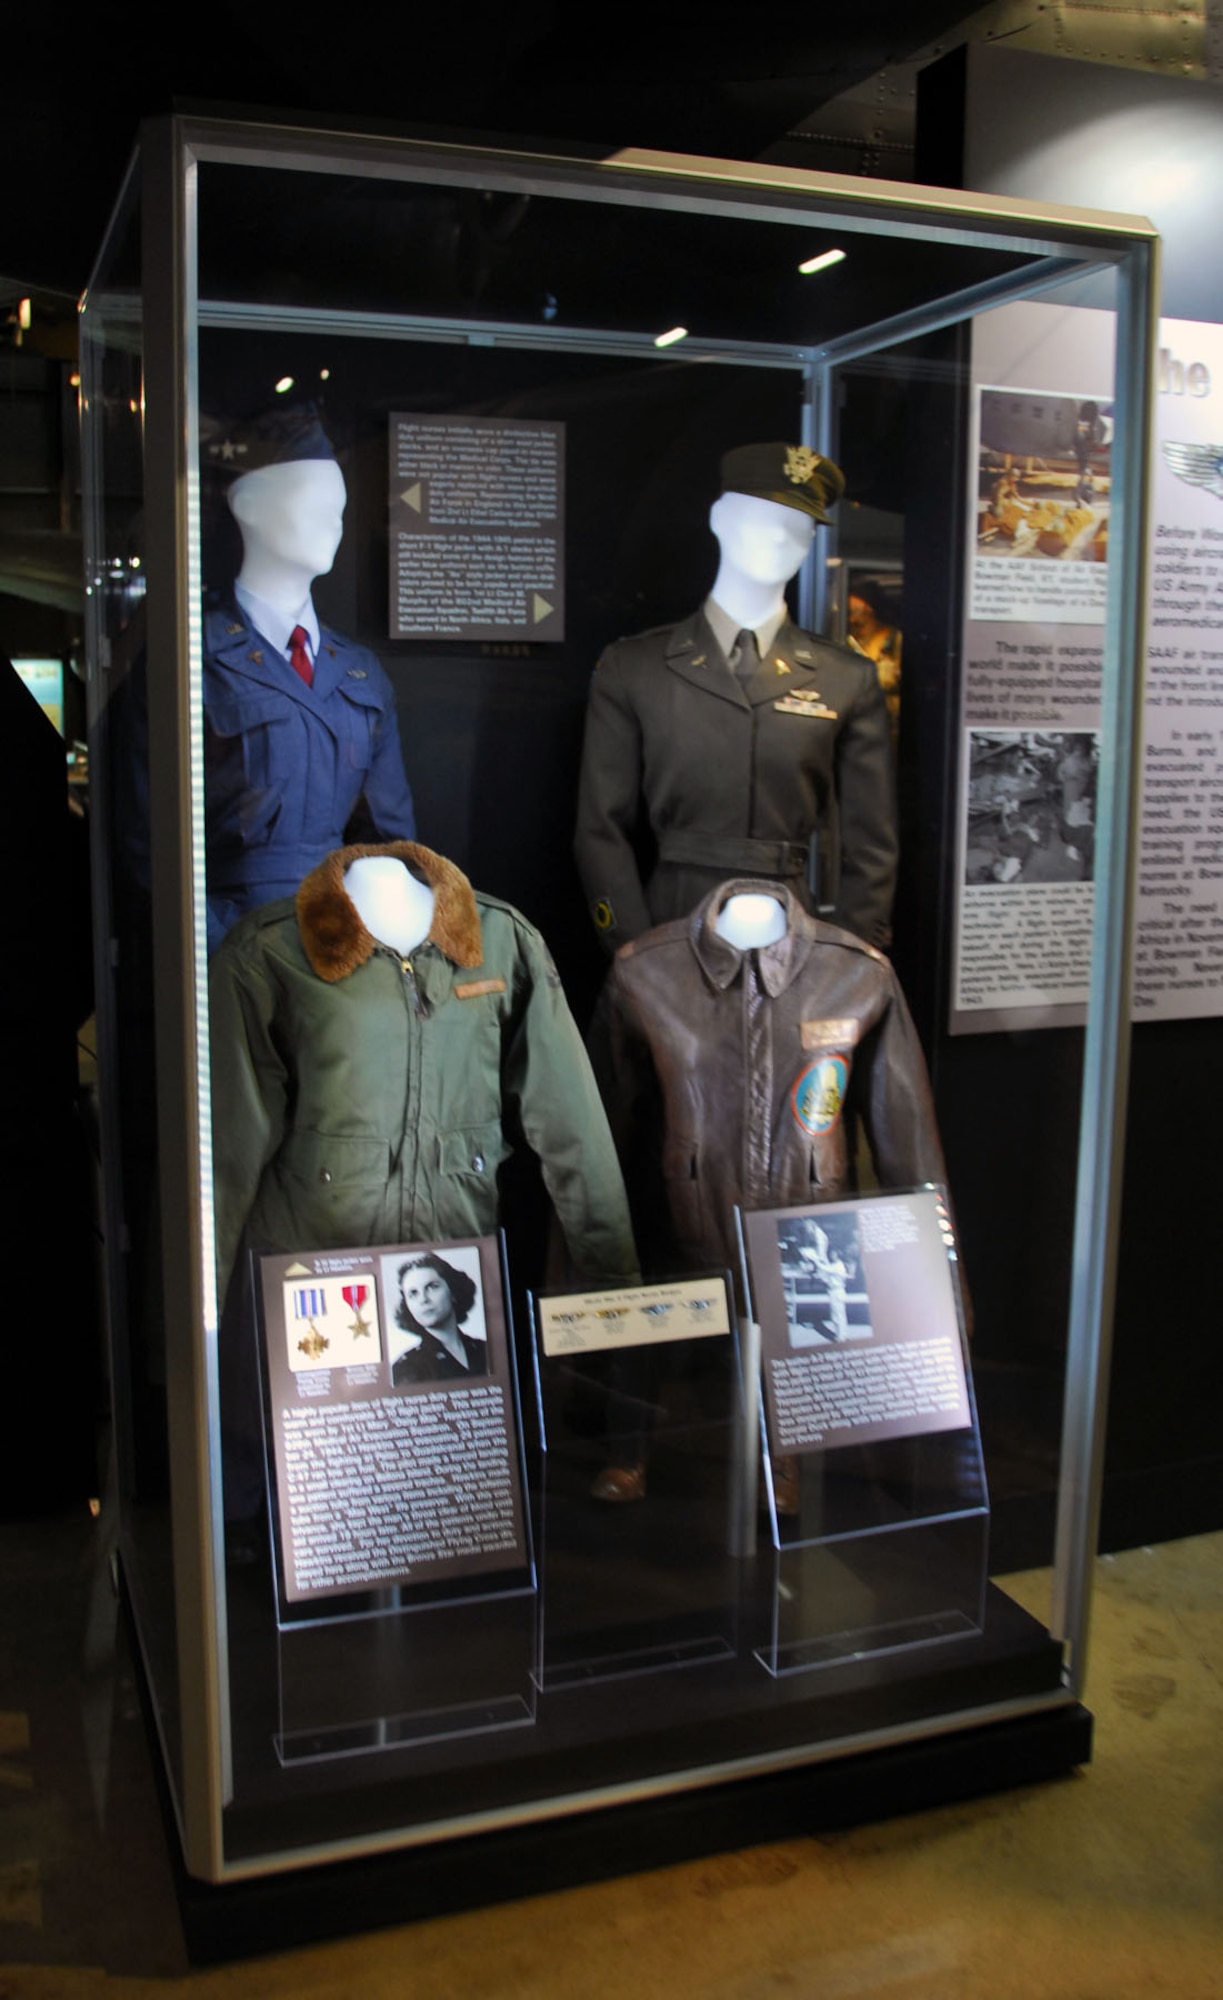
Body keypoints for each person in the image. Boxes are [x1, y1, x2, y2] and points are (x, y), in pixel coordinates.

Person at [574, 442, 897, 955]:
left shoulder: (845, 679)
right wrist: (634, 949)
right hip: (670, 923)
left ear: (812, 541)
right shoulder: (635, 668)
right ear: (719, 519)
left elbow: (872, 847)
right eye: (759, 517)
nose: (778, 538)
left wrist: (846, 962)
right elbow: (599, 829)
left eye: (797, 526)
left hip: (795, 935)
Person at [202, 403, 416, 949]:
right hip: (232, 942)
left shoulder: (360, 673)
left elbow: (391, 843)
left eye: (340, 508)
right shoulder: (196, 655)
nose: (334, 522)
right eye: (314, 503)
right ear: (248, 504)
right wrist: (213, 954)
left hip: (342, 944)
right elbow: (146, 841)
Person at [391, 1252, 487, 1384]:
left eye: (432, 1287)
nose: (423, 1299)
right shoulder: (406, 1367)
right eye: (413, 1293)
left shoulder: (484, 1348)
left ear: (453, 1291)